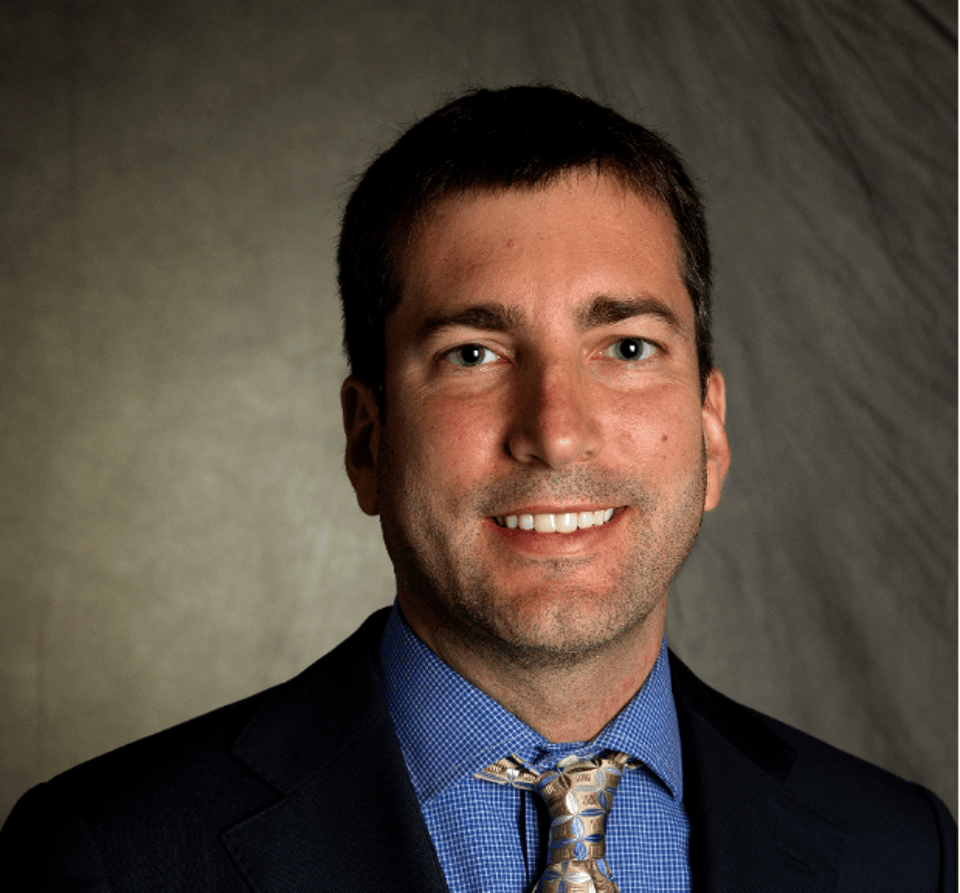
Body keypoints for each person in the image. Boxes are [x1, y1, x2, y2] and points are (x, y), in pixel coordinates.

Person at [0, 85, 954, 891]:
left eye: (626, 346)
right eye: (473, 353)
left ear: (709, 425)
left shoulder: (899, 852)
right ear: (367, 439)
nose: (555, 428)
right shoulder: (106, 857)